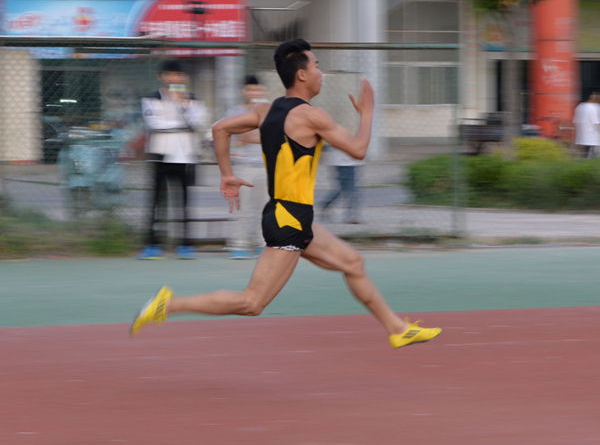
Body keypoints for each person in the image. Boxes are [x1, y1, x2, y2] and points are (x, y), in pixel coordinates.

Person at [130, 39, 441, 349]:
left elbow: (220, 129)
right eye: (317, 66)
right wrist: (368, 113)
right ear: (302, 75)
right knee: (252, 302)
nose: (321, 73)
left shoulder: (265, 110)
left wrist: (227, 174)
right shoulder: (312, 116)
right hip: (288, 220)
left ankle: (397, 329)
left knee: (352, 263)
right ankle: (168, 305)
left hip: (291, 216)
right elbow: (358, 150)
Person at [137, 60, 208, 260]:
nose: (174, 79)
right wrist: (181, 124)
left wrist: (182, 105)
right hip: (161, 154)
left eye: (178, 75)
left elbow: (198, 121)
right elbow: (154, 123)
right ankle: (152, 244)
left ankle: (185, 244)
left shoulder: (192, 99)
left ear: (185, 78)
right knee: (156, 202)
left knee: (184, 202)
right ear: (161, 77)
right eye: (170, 75)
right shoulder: (151, 99)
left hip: (186, 155)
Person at [226, 75, 269, 259]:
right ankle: (239, 245)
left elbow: (274, 136)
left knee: (264, 207)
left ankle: (262, 243)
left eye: (257, 90)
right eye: (250, 90)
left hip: (265, 164)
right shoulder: (235, 111)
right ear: (244, 91)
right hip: (243, 165)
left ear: (263, 91)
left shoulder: (270, 110)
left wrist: (252, 137)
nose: (254, 93)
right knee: (241, 206)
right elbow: (238, 136)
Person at [320, 147, 362, 224]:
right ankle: (351, 216)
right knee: (351, 191)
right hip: (344, 162)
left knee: (343, 190)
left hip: (348, 161)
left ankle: (325, 206)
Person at [573, 91, 600, 158]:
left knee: (584, 157)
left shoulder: (579, 107)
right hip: (593, 140)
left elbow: (575, 122)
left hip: (581, 139)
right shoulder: (593, 108)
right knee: (593, 158)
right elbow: (597, 124)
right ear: (593, 96)